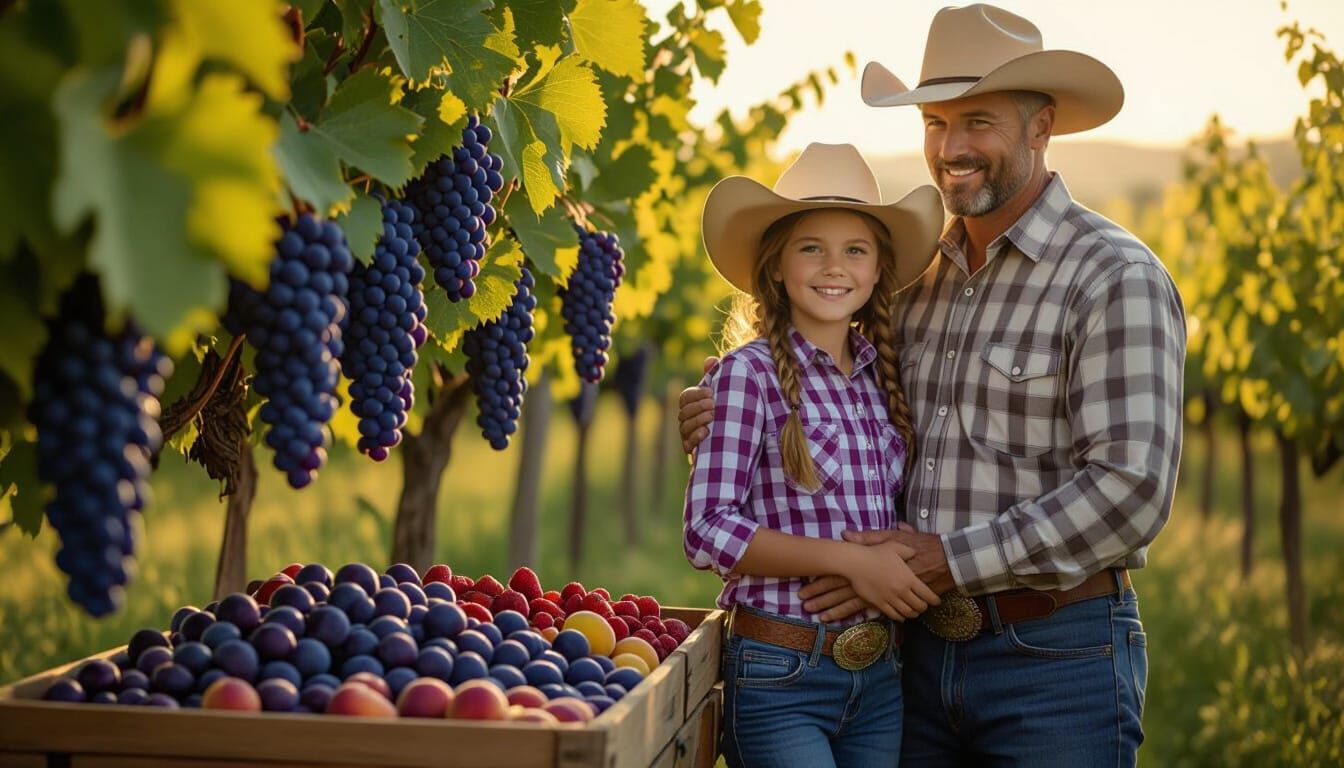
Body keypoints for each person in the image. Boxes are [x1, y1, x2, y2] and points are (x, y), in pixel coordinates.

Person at [679, 5, 1186, 766]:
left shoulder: (1112, 276)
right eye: (936, 123)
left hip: (1053, 661)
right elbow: (822, 408)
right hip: (902, 662)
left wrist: (944, 559)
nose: (951, 148)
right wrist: (717, 411)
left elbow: (1131, 490)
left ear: (1041, 126)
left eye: (978, 121)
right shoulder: (907, 288)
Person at [683, 142, 945, 767]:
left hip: (879, 676)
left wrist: (893, 550)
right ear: (776, 267)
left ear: (879, 268)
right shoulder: (747, 376)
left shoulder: (883, 379)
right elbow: (706, 531)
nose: (835, 266)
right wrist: (851, 565)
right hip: (781, 669)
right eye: (811, 248)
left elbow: (880, 509)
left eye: (855, 249)